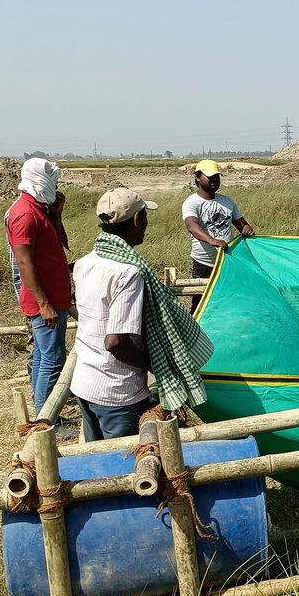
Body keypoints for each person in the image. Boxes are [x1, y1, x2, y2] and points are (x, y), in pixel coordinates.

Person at [70, 188, 215, 440]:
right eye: (145, 217)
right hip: (117, 392)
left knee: (95, 463)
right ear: (137, 220)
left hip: (84, 381)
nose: (146, 224)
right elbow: (115, 342)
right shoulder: (128, 273)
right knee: (123, 470)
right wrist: (156, 367)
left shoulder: (85, 262)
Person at [6, 158, 72, 413]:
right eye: (52, 181)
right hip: (45, 301)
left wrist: (56, 215)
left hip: (54, 297)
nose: (55, 186)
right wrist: (44, 304)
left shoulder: (40, 209)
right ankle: (46, 420)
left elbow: (57, 244)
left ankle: (42, 415)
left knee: (47, 357)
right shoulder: (24, 213)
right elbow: (24, 263)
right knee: (52, 361)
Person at [182, 159, 255, 310]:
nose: (214, 180)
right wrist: (211, 240)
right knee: (201, 305)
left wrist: (246, 228)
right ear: (197, 177)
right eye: (210, 176)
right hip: (204, 264)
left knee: (228, 301)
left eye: (217, 176)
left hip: (226, 262)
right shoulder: (192, 202)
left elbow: (242, 223)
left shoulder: (227, 201)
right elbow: (192, 226)